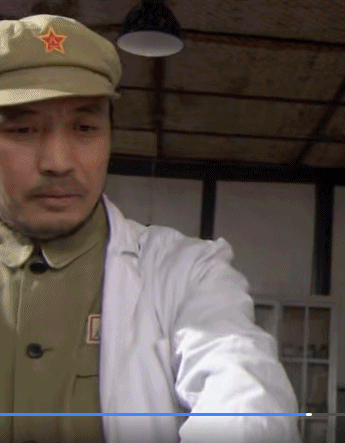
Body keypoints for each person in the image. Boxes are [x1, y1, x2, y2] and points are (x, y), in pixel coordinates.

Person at [0, 14, 301, 443]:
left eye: (85, 128)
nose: (59, 162)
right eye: (23, 129)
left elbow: (245, 394)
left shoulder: (186, 272)